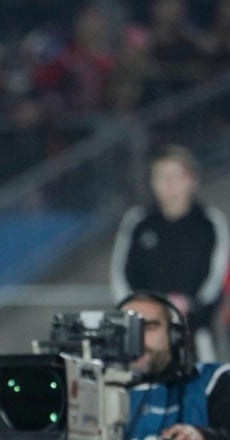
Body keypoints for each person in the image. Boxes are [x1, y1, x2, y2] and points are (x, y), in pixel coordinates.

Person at [110, 144, 229, 361]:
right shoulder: (138, 222)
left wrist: (187, 308)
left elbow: (216, 278)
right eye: (161, 177)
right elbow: (122, 275)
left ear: (191, 179)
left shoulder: (210, 223)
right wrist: (144, 313)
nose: (168, 185)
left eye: (174, 176)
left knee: (199, 392)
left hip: (196, 338)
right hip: (143, 340)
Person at [117, 291, 230, 440]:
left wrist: (204, 437)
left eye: (149, 327)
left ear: (175, 336)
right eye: (127, 328)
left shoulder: (214, 381)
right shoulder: (93, 387)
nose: (136, 338)